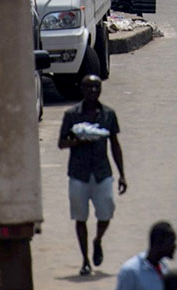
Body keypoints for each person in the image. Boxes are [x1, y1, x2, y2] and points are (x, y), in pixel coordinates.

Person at [58, 74, 127, 276]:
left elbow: (115, 144)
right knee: (80, 217)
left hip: (101, 171)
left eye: (96, 88)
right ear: (82, 89)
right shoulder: (72, 115)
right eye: (89, 88)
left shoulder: (108, 114)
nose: (93, 92)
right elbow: (61, 143)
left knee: (106, 211)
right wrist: (77, 141)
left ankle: (97, 240)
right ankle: (85, 260)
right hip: (78, 173)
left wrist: (122, 174)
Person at [114, 221, 177, 290]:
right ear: (158, 243)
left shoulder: (164, 265)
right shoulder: (131, 271)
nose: (175, 246)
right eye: (171, 242)